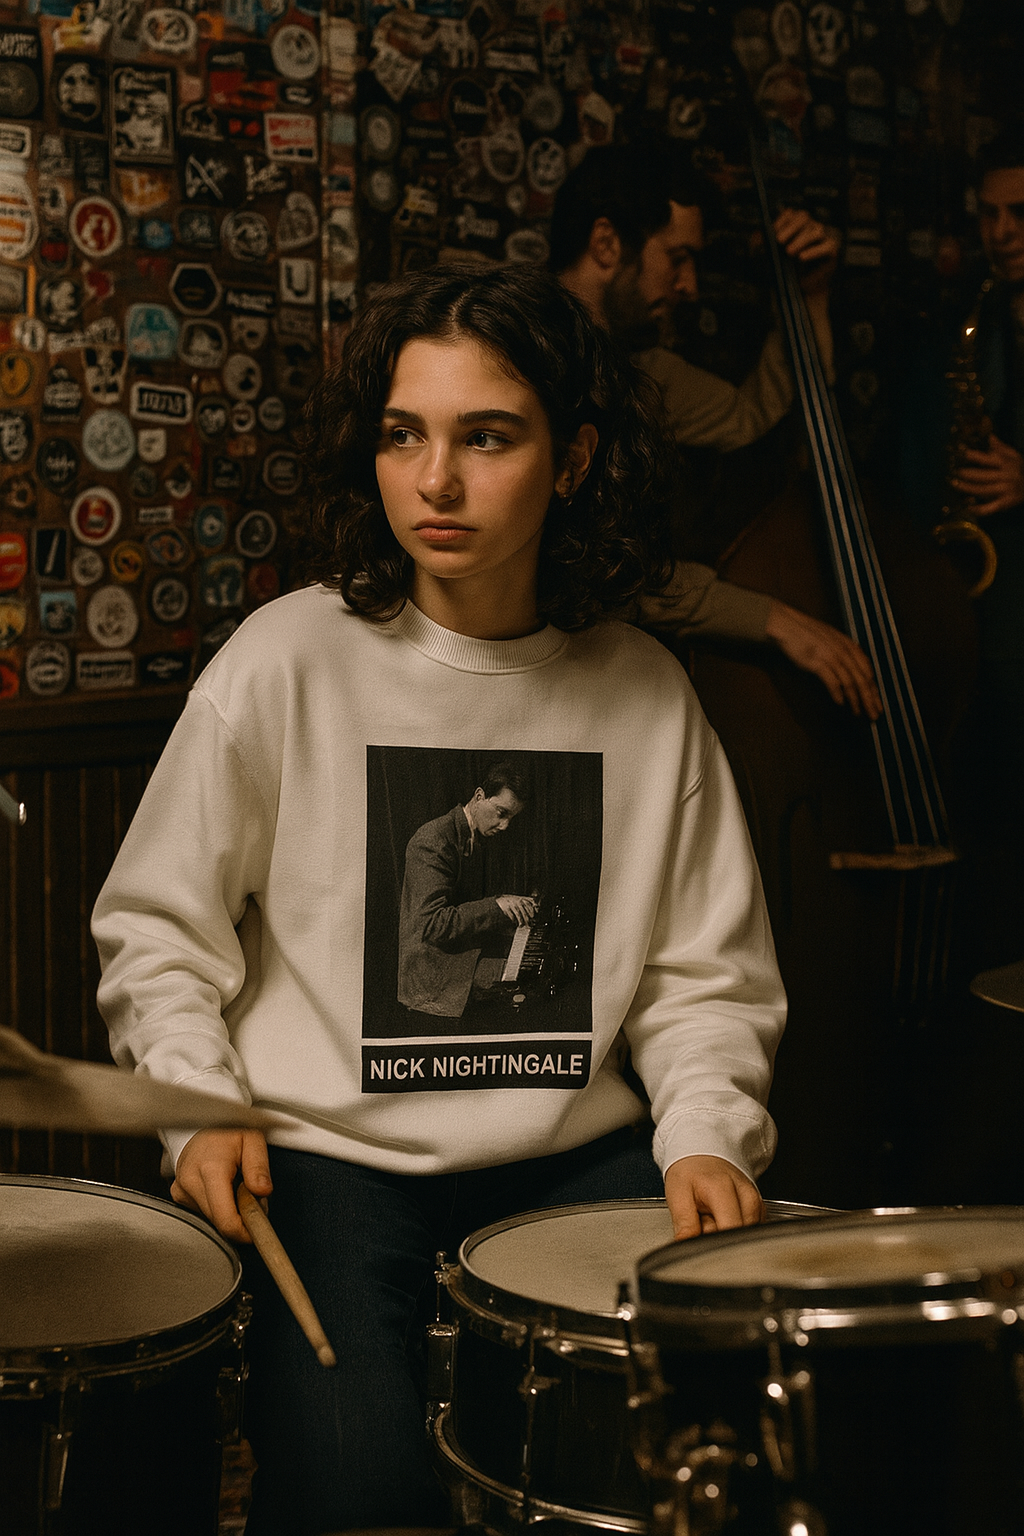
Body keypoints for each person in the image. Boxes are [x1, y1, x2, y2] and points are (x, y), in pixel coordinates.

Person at [92, 266, 785, 1534]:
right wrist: (194, 1105)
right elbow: (157, 929)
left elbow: (703, 975)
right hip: (330, 1160)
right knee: (359, 1489)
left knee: (675, 1459)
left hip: (573, 1152)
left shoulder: (643, 689)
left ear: (572, 459)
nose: (436, 481)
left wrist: (701, 1133)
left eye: (488, 437)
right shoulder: (285, 658)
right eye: (404, 435)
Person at [552, 142, 880, 721]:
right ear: (607, 244)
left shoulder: (649, 371)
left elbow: (757, 418)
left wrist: (811, 295)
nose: (690, 286)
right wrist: (771, 620)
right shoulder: (515, 357)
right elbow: (595, 572)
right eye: (676, 258)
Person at [398, 761, 538, 1018]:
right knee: (526, 978)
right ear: (479, 796)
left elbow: (468, 911)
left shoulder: (477, 838)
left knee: (533, 965)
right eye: (501, 812)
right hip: (433, 971)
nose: (504, 825)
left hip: (461, 955)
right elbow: (432, 925)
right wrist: (497, 905)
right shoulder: (434, 840)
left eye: (510, 818)